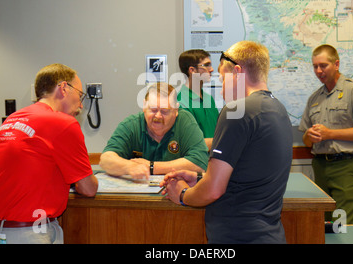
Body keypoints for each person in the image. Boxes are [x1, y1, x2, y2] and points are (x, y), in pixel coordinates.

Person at [161, 41, 293, 244]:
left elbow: (214, 189)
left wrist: (183, 194)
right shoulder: (278, 109)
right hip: (269, 234)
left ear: (238, 73)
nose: (222, 91)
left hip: (238, 236)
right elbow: (248, 175)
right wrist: (200, 177)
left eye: (223, 80)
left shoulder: (237, 111)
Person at [0, 63, 98, 244]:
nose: (80, 104)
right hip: (28, 234)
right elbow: (88, 188)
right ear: (64, 88)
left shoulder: (12, 119)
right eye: (80, 95)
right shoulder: (64, 123)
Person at [299, 44, 353, 224]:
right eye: (315, 66)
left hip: (346, 167)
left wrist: (330, 134)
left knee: (341, 225)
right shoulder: (314, 98)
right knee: (323, 225)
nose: (319, 71)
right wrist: (309, 136)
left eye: (323, 65)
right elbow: (305, 139)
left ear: (336, 64)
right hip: (320, 167)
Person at [99, 82, 209, 180]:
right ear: (144, 106)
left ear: (176, 111)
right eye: (153, 109)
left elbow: (199, 163)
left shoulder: (185, 122)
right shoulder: (131, 125)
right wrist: (130, 167)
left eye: (165, 111)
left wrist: (151, 167)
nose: (158, 116)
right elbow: (105, 159)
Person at [177, 49, 219, 150]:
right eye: (206, 65)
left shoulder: (208, 99)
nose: (212, 69)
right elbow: (191, 142)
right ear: (192, 70)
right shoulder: (181, 102)